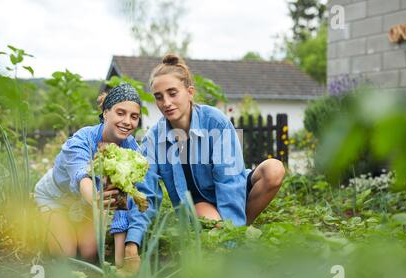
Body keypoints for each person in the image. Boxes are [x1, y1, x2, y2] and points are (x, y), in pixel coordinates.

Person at [123, 53, 286, 259]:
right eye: (159, 96)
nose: (166, 102)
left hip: (232, 187)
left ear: (189, 92)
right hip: (200, 202)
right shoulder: (154, 139)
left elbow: (229, 180)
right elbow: (144, 190)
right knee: (204, 213)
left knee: (274, 169)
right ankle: (226, 233)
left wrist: (232, 236)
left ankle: (236, 232)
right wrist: (132, 243)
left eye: (172, 93)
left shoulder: (215, 122)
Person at [34, 83, 143, 271]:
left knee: (89, 254)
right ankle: (39, 224)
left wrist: (120, 265)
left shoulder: (129, 148)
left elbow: (121, 207)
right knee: (66, 254)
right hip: (56, 197)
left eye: (134, 117)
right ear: (106, 112)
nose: (127, 121)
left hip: (88, 203)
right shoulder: (82, 139)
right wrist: (94, 198)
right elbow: (81, 174)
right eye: (120, 113)